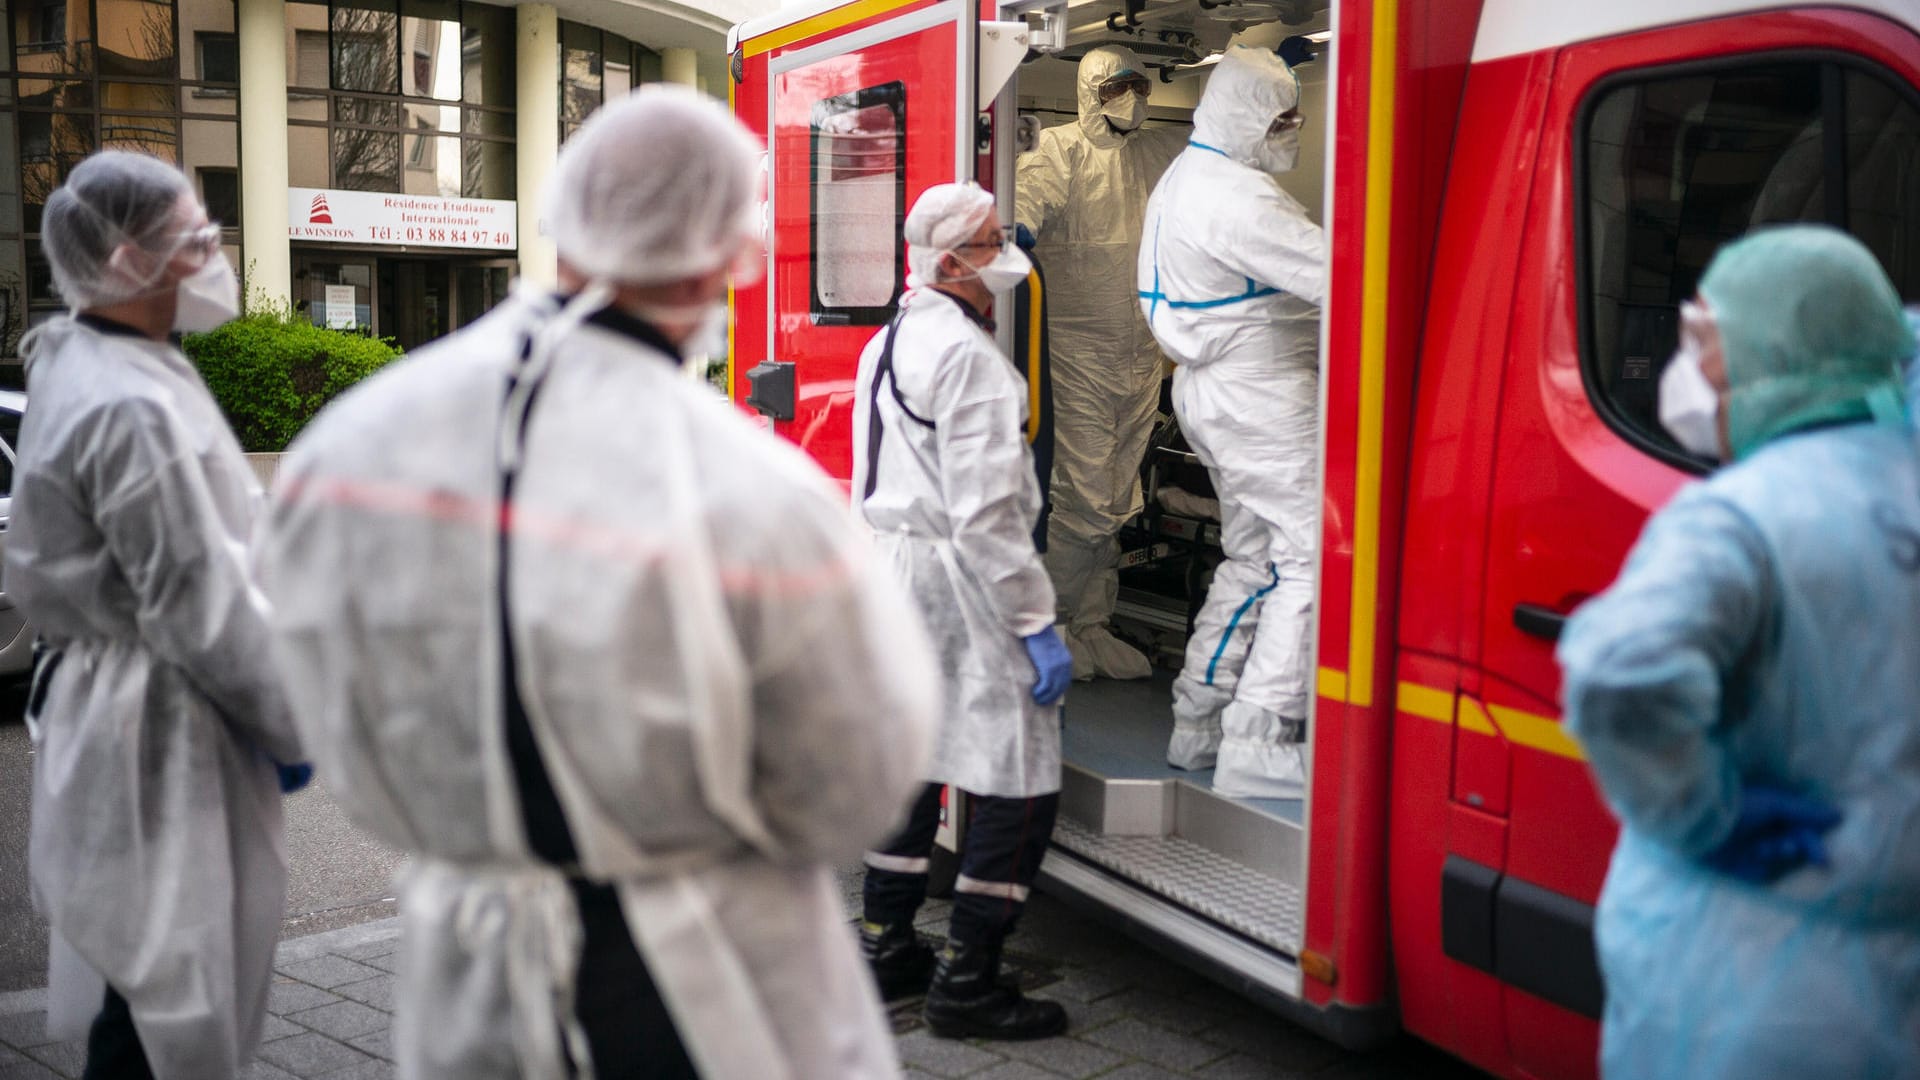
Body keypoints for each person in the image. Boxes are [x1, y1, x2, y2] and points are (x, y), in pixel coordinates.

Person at [256, 87, 941, 1080]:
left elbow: (309, 688)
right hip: (704, 988)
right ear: (733, 254)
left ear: (563, 217)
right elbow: (858, 778)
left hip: (466, 975)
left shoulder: (349, 448)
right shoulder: (753, 488)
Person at [1557, 224, 1920, 1079]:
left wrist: (1708, 815)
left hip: (1750, 986)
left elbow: (1620, 677)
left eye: (1706, 340)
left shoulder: (1742, 515)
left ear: (1774, 350)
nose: (1690, 370)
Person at [3, 150, 309, 1079]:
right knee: (174, 991)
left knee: (149, 978)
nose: (209, 253)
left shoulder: (106, 360)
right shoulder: (130, 403)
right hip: (163, 727)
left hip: (139, 708)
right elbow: (199, 604)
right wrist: (299, 722)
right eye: (191, 238)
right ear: (130, 259)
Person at [853, 182, 1075, 1041]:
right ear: (950, 263)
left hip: (893, 571)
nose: (1006, 245)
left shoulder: (892, 337)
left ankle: (885, 945)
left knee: (911, 757)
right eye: (990, 238)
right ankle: (970, 981)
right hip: (958, 580)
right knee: (1021, 782)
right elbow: (987, 514)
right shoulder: (972, 360)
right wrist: (1034, 623)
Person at [1136, 45, 1326, 797]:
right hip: (1260, 394)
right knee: (1311, 552)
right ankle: (1264, 740)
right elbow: (1350, 273)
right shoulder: (1238, 198)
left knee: (1252, 557)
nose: (1294, 129)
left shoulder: (1187, 179)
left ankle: (1200, 723)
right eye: (1283, 118)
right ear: (1245, 114)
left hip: (1215, 393)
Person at [1016, 44, 1187, 681]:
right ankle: (1049, 622)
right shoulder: (1058, 150)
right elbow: (1025, 203)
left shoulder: (1152, 151)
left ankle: (1091, 622)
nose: (1135, 97)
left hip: (1140, 355)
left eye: (1141, 85)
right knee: (1085, 503)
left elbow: (1221, 147)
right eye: (1120, 86)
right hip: (1077, 354)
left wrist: (1263, 78)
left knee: (1119, 500)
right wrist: (1016, 233)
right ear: (1092, 90)